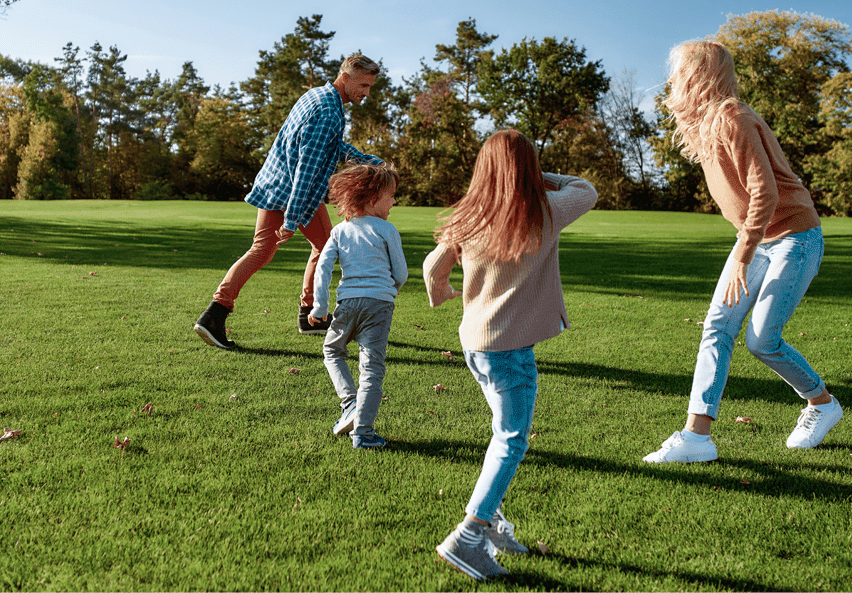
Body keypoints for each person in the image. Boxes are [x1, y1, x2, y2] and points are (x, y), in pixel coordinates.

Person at [643, 40, 841, 464]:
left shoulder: (732, 116)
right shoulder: (706, 126)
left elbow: (764, 192)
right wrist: (746, 246)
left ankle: (822, 404)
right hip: (754, 239)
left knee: (762, 339)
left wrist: (744, 254)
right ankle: (697, 437)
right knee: (716, 327)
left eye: (677, 72)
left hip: (794, 237)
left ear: (697, 75)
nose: (671, 80)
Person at [423, 130, 598, 581]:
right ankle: (469, 534)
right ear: (529, 168)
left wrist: (442, 294)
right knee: (511, 440)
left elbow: (431, 267)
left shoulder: (471, 217)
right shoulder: (544, 209)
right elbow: (586, 189)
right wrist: (539, 178)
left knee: (503, 435)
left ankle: (494, 526)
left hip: (475, 344)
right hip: (509, 349)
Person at [193, 54, 384, 349]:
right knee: (322, 246)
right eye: (363, 85)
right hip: (294, 193)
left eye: (370, 86)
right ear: (345, 77)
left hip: (275, 184)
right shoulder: (328, 112)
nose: (366, 93)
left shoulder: (318, 96)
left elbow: (332, 147)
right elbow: (306, 170)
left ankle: (219, 313)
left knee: (266, 250)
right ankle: (306, 315)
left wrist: (370, 161)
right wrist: (291, 219)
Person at [307, 163, 406, 450]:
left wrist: (319, 307)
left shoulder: (340, 231)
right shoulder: (387, 229)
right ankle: (363, 433)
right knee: (372, 368)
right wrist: (389, 293)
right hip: (380, 305)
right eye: (391, 196)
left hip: (347, 302)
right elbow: (400, 274)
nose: (394, 202)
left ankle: (349, 402)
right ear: (373, 200)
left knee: (332, 350)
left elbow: (323, 268)